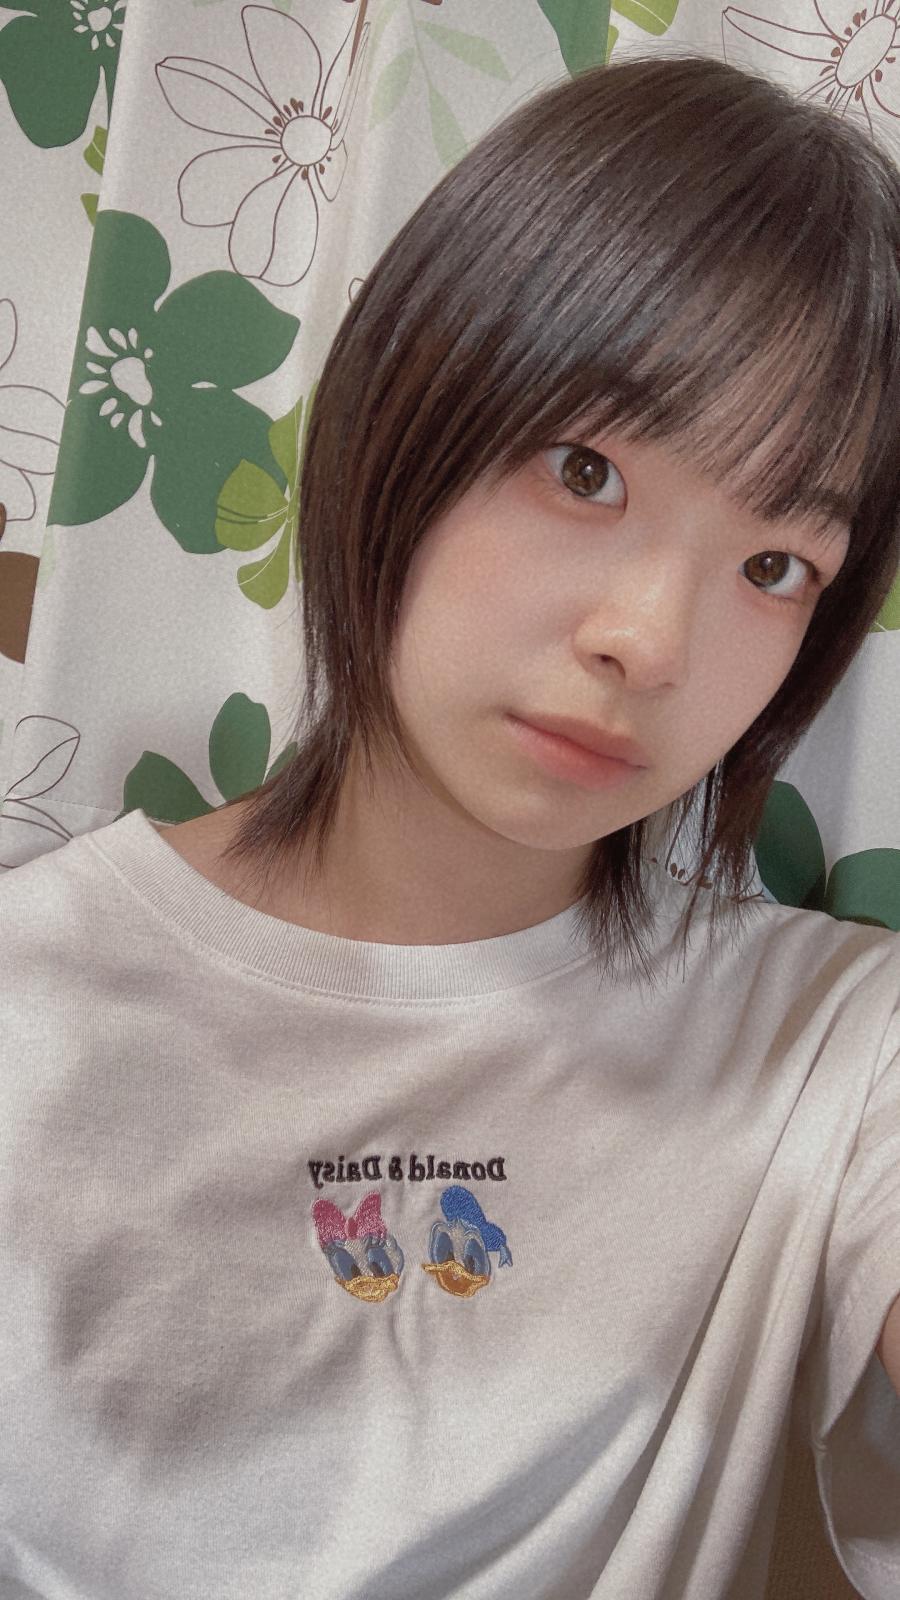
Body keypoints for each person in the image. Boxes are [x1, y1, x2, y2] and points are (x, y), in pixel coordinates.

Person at [1, 48, 900, 1600]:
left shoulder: (827, 1045)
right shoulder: (33, 995)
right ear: (401, 403)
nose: (649, 642)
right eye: (585, 469)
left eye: (774, 568)